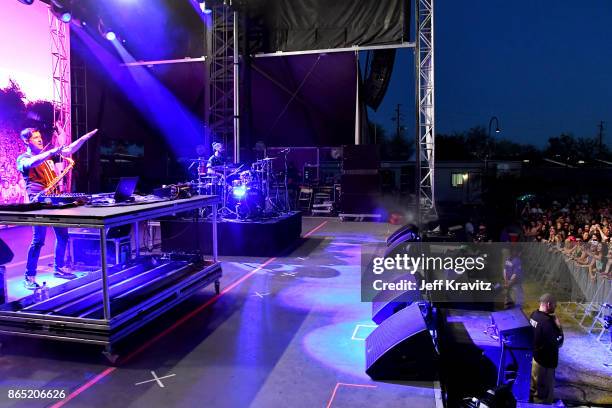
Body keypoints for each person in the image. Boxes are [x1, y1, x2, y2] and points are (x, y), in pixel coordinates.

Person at [17, 125, 98, 289]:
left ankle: (59, 268)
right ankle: (29, 276)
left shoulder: (47, 158)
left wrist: (83, 138)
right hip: (38, 203)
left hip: (54, 201)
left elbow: (68, 151)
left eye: (40, 136)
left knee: (63, 236)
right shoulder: (23, 159)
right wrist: (51, 152)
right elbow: (33, 162)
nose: (40, 139)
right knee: (38, 240)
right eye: (35, 137)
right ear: (26, 141)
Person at [529, 293, 564, 404]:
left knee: (534, 387)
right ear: (549, 304)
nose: (555, 307)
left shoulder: (534, 315)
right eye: (555, 305)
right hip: (545, 364)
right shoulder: (548, 323)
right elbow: (559, 342)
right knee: (543, 395)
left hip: (535, 359)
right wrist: (559, 328)